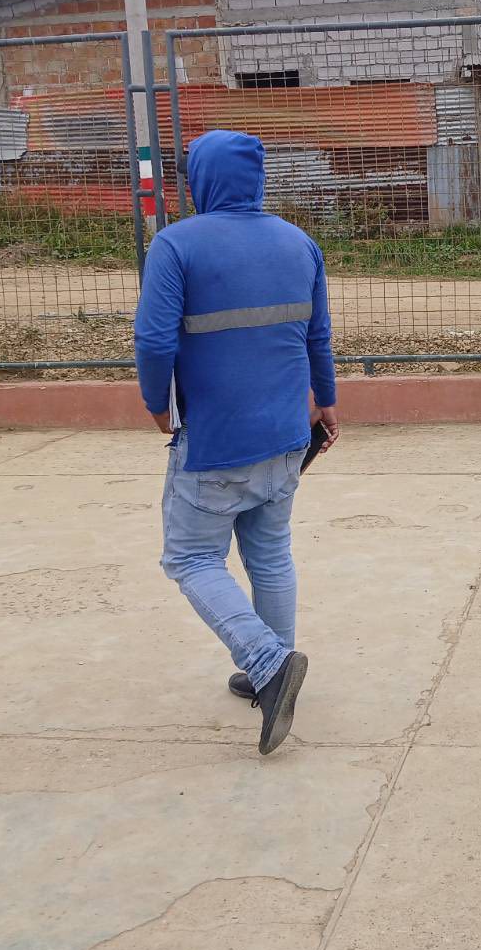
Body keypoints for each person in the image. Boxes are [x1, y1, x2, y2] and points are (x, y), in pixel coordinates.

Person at [134, 130, 337, 756]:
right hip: (287, 433)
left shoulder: (176, 244)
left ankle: (268, 664)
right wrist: (327, 404)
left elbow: (154, 341)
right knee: (270, 552)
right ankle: (271, 666)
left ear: (200, 180)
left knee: (191, 558)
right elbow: (318, 337)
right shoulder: (299, 242)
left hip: (217, 440)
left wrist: (157, 404)